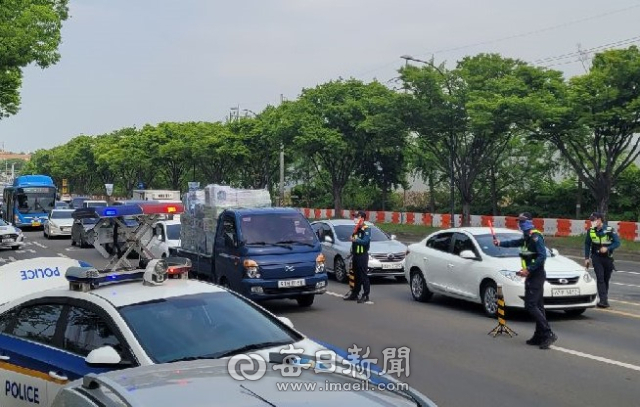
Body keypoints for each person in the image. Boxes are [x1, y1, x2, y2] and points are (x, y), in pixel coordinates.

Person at [493, 212, 557, 349]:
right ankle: (539, 335)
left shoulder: (535, 237)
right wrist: (500, 243)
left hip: (536, 275)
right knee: (538, 306)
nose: (520, 224)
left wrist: (529, 269)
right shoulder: (526, 237)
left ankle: (548, 333)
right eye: (519, 221)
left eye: (522, 221)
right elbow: (514, 242)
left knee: (531, 305)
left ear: (530, 222)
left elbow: (542, 257)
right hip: (532, 275)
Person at [584, 212, 620, 308]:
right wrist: (586, 258)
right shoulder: (591, 231)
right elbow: (587, 244)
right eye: (591, 220)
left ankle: (604, 297)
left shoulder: (609, 230)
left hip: (608, 258)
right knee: (600, 278)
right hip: (596, 257)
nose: (592, 222)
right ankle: (603, 301)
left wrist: (607, 248)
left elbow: (617, 242)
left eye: (594, 220)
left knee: (606, 278)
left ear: (599, 220)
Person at [343, 210, 372, 304]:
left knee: (363, 276)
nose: (355, 219)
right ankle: (355, 293)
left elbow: (365, 242)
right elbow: (353, 244)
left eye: (357, 217)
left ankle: (366, 295)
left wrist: (355, 239)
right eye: (354, 217)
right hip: (355, 255)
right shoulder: (356, 228)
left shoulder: (366, 229)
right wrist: (351, 253)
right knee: (356, 276)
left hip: (362, 256)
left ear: (362, 219)